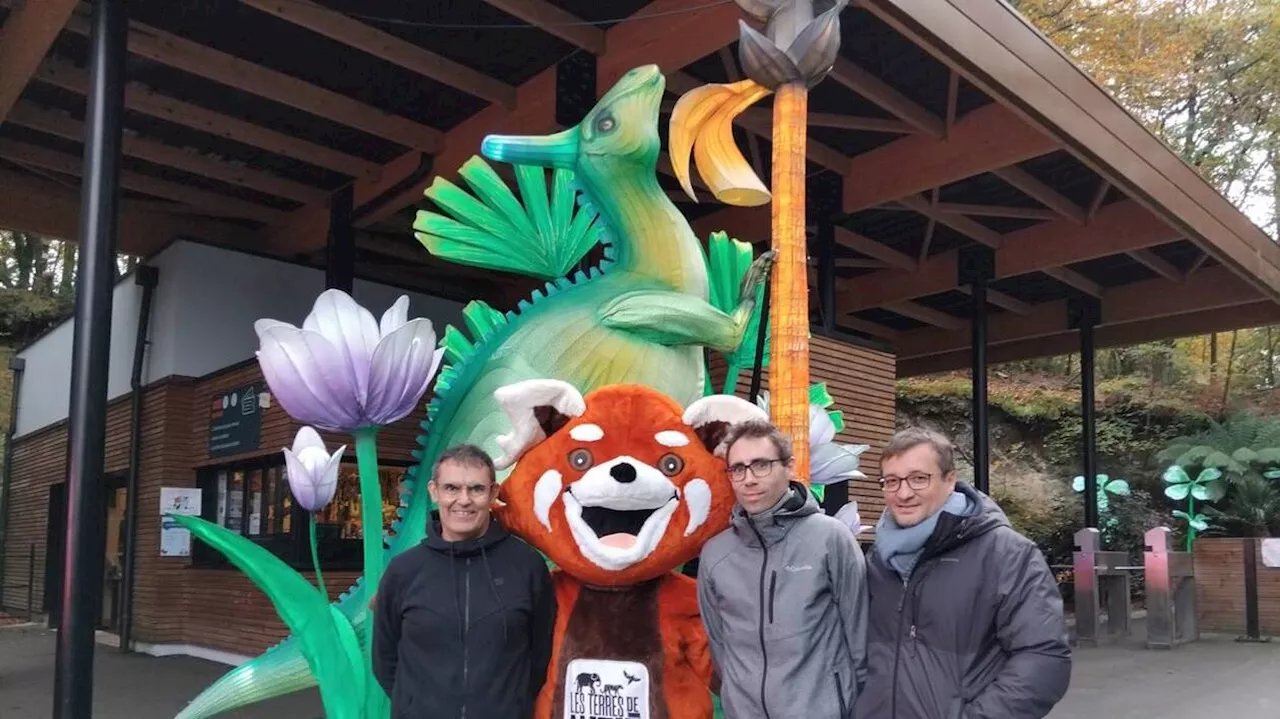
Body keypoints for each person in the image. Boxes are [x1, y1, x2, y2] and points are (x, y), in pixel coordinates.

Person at [854, 426, 1072, 719]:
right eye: (891, 481)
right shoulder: (878, 559)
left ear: (950, 480)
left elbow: (1044, 658)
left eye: (919, 479)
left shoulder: (1006, 554)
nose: (903, 493)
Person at [696, 419, 868, 719]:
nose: (749, 479)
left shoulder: (829, 538)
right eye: (738, 468)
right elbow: (720, 647)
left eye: (761, 465)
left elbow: (860, 637)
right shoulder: (715, 554)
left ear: (788, 467)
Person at [372, 444, 556, 718]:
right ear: (434, 492)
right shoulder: (404, 570)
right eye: (452, 488)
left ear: (493, 493)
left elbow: (541, 653)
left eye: (476, 489)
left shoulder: (527, 565)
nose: (464, 500)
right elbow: (385, 658)